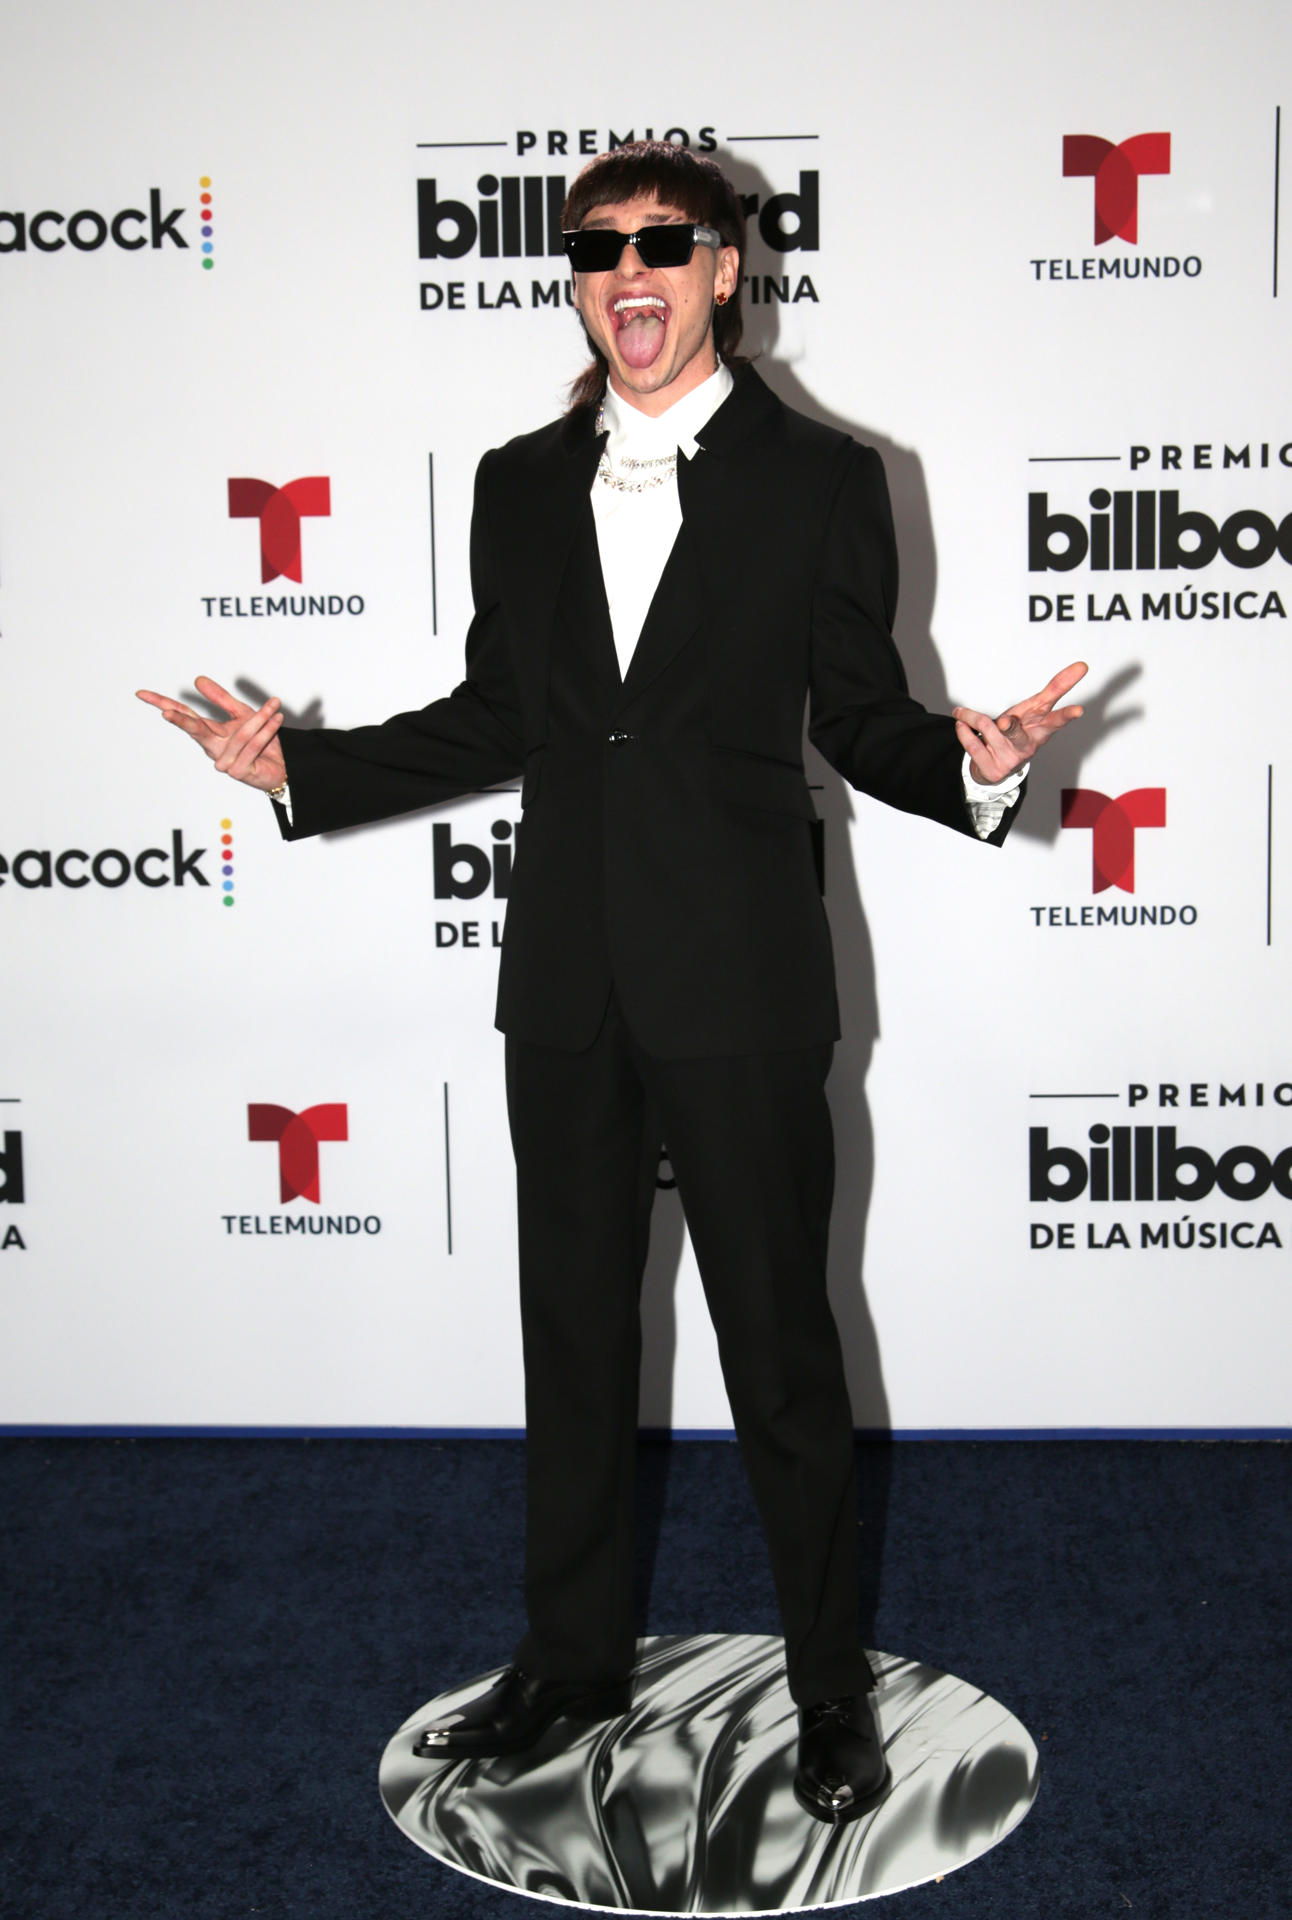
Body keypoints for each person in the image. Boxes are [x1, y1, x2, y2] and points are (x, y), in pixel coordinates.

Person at [139, 141, 1085, 1826]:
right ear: (575, 275)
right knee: (572, 1341)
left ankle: (824, 1687)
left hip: (741, 983)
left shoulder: (824, 479)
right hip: (564, 982)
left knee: (781, 1356)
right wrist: (303, 769)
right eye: (595, 250)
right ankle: (571, 1659)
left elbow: (863, 722)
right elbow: (503, 711)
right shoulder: (515, 478)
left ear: (727, 266)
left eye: (664, 243)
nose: (626, 273)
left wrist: (977, 762)